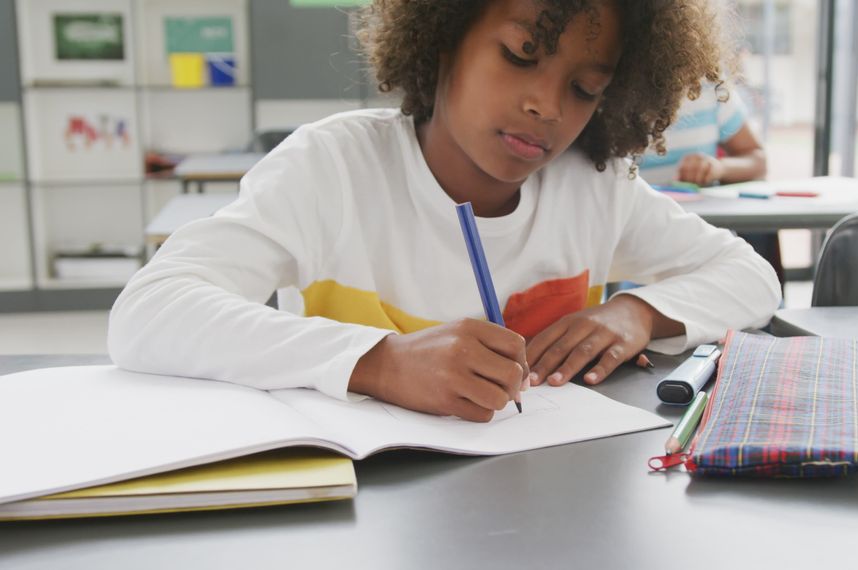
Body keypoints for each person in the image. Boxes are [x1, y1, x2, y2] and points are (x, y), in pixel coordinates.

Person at [108, 0, 781, 423]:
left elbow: (751, 276)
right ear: (443, 37)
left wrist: (635, 312)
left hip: (540, 507)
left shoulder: (593, 188)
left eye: (583, 88)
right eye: (521, 55)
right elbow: (151, 311)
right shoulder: (334, 169)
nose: (547, 105)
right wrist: (380, 362)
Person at [638, 87, 785, 284]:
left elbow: (757, 161)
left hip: (699, 237)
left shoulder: (711, 85)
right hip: (642, 238)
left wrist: (718, 168)